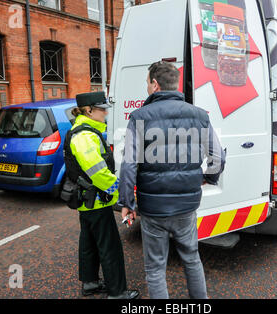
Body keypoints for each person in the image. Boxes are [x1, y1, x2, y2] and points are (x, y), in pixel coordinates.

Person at [118, 61, 226, 299]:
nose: (147, 87)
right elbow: (217, 156)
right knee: (192, 259)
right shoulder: (199, 115)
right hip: (187, 207)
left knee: (155, 269)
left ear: (155, 84)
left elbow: (128, 165)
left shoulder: (139, 117)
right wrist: (208, 178)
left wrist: (126, 202)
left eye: (147, 82)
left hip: (153, 208)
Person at [65, 91, 139, 299]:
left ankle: (90, 283)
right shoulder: (85, 135)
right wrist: (119, 193)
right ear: (89, 110)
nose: (106, 113)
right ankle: (117, 292)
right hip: (96, 201)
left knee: (89, 242)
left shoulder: (83, 131)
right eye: (102, 109)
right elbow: (97, 172)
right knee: (110, 247)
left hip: (87, 200)